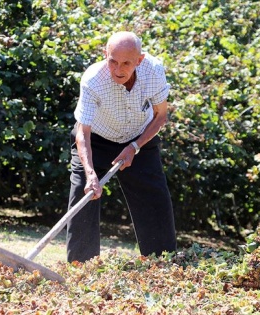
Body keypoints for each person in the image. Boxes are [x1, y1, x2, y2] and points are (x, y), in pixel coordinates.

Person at [66, 31, 177, 262]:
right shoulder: (93, 79)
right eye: (113, 61)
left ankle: (162, 265)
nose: (118, 69)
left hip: (139, 137)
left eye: (126, 63)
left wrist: (134, 147)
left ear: (139, 60)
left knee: (154, 198)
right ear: (105, 54)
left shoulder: (154, 71)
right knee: (83, 195)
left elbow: (160, 116)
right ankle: (80, 269)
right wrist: (90, 174)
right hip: (94, 139)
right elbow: (82, 133)